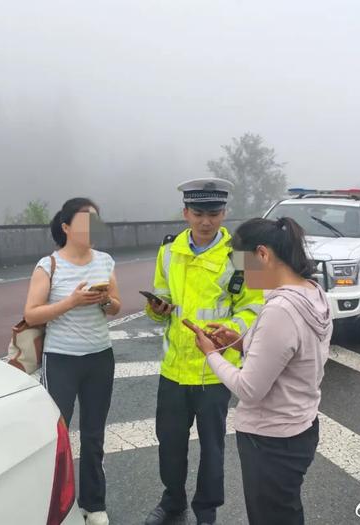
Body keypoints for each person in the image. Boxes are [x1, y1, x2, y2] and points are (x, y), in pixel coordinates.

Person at [190, 216, 333, 525]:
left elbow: (249, 389)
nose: (241, 278)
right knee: (285, 509)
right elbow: (291, 355)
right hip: (301, 426)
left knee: (272, 516)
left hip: (271, 441)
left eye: (243, 267)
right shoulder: (312, 293)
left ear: (263, 255)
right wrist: (239, 344)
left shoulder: (281, 310)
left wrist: (212, 354)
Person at [143, 178, 264, 525]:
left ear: (224, 213)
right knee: (169, 443)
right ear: (185, 213)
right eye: (198, 213)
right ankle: (172, 500)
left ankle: (206, 510)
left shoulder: (243, 254)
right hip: (174, 368)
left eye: (214, 213)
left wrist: (233, 329)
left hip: (216, 369)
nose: (206, 221)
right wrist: (157, 308)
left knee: (213, 448)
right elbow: (160, 296)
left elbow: (255, 307)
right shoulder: (168, 251)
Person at [24, 197, 121, 525]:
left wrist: (105, 300)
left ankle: (93, 505)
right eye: (84, 222)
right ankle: (51, 507)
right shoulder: (48, 265)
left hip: (100, 358)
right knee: (55, 434)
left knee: (94, 436)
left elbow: (116, 307)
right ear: (66, 228)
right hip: (61, 360)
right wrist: (71, 302)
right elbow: (31, 313)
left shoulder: (105, 261)